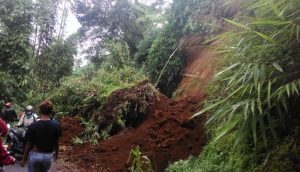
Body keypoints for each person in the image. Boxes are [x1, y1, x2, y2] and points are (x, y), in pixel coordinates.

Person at [21, 100, 62, 172]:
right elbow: (56, 142)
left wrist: (24, 159)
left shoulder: (33, 126)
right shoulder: (56, 125)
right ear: (51, 111)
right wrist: (56, 155)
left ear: (40, 111)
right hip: (48, 156)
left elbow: (28, 143)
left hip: (35, 155)